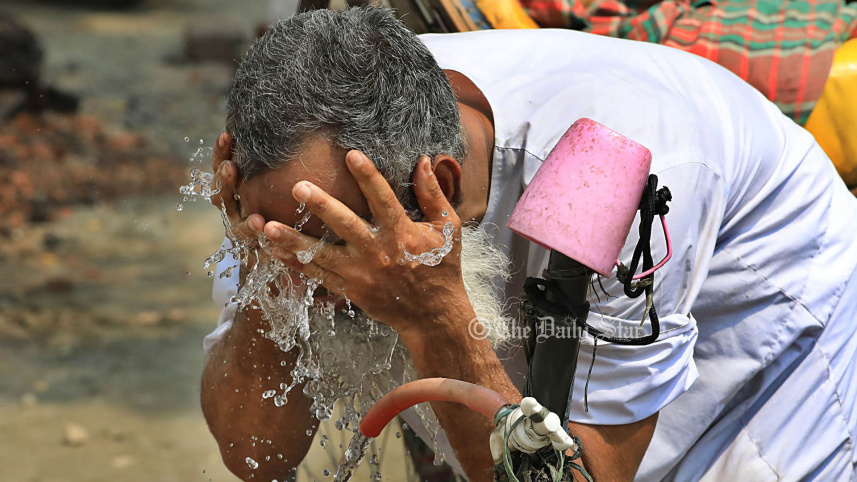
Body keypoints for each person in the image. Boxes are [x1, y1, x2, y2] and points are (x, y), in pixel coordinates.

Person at [200, 6, 857, 481]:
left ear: (441, 183)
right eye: (268, 235)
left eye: (329, 241)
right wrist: (271, 281)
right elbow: (253, 453)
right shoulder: (299, 189)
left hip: (763, 352)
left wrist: (435, 315)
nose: (301, 260)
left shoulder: (599, 168)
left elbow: (585, 472)